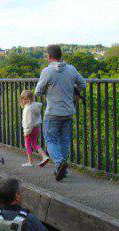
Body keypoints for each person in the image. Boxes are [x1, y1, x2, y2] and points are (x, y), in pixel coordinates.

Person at [35, 44, 87, 181]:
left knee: (50, 140)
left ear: (49, 56)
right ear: (61, 55)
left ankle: (59, 163)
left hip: (52, 112)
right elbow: (83, 84)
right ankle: (62, 170)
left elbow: (38, 92)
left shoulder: (47, 71)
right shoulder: (71, 69)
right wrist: (72, 91)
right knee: (64, 141)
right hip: (68, 112)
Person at [20, 90, 50, 167]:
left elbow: (29, 122)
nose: (23, 101)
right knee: (34, 143)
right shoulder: (35, 106)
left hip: (30, 129)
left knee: (27, 145)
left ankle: (30, 162)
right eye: (22, 99)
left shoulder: (28, 109)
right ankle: (44, 156)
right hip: (36, 128)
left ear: (30, 99)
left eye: (25, 99)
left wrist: (26, 132)